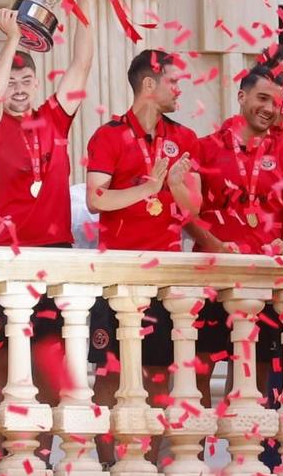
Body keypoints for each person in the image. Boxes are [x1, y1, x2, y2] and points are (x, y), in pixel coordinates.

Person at [86, 50, 203, 408]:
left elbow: (194, 207)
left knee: (156, 372)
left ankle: (151, 464)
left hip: (164, 273)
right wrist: (147, 190)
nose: (180, 90)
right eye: (173, 81)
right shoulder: (109, 135)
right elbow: (96, 199)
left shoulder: (185, 136)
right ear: (149, 84)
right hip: (117, 272)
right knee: (110, 372)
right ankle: (108, 466)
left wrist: (178, 185)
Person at [0, 10, 91, 250]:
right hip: (8, 246)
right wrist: (12, 39)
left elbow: (82, 65)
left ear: (37, 84)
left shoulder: (54, 118)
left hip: (57, 244)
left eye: (26, 81)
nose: (19, 89)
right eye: (10, 83)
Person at [188, 64, 283, 258]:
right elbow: (188, 215)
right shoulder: (203, 148)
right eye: (262, 98)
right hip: (214, 271)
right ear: (241, 97)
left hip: (269, 272)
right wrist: (218, 247)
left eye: (276, 103)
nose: (269, 109)